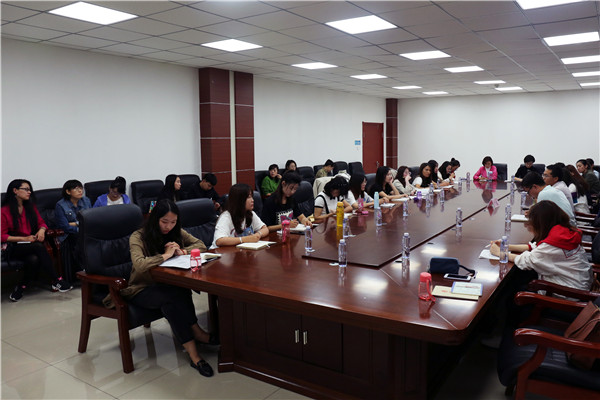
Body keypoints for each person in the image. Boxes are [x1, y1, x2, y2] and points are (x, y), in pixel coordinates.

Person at [113, 199, 214, 377]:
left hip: (166, 285)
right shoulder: (138, 236)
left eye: (173, 222)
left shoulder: (175, 232)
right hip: (140, 288)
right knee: (172, 297)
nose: (169, 226)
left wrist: (183, 251)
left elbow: (201, 245)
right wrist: (166, 255)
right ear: (155, 219)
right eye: (164, 221)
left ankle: (195, 339)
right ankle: (195, 348)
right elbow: (140, 265)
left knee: (178, 291)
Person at [490, 200, 592, 291]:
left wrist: (500, 253)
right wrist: (506, 246)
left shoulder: (552, 245)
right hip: (579, 282)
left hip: (570, 292)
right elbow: (534, 247)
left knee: (514, 284)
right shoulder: (562, 231)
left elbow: (526, 261)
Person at [2, 179, 72, 301]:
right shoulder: (4, 211)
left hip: (29, 244)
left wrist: (42, 230)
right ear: (15, 191)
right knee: (38, 246)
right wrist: (24, 238)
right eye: (26, 189)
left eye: (30, 189)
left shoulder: (30, 207)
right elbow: (2, 235)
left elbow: (41, 222)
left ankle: (21, 287)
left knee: (33, 259)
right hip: (12, 246)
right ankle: (56, 280)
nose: (29, 192)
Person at [55, 179, 92, 281]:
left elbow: (91, 219)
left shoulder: (86, 201)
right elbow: (65, 226)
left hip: (85, 233)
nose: (80, 191)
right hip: (68, 236)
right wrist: (81, 226)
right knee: (78, 240)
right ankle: (83, 271)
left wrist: (76, 223)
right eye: (76, 189)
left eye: (81, 188)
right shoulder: (60, 205)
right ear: (68, 191)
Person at [212, 183, 269, 248]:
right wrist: (244, 239)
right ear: (239, 200)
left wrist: (258, 235)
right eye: (249, 197)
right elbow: (219, 241)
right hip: (219, 252)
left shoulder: (250, 213)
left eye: (252, 197)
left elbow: (265, 229)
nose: (252, 200)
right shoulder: (226, 217)